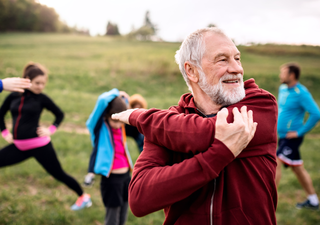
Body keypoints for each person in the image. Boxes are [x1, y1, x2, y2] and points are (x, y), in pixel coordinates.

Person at [112, 27, 278, 225]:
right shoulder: (167, 124)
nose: (237, 68)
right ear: (192, 71)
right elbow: (139, 198)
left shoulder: (260, 103)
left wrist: (140, 117)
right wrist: (218, 155)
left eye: (237, 58)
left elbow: (206, 132)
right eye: (223, 59)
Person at [0, 62, 92, 211]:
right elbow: (1, 114)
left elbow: (59, 114)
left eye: (43, 83)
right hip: (19, 147)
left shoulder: (42, 98)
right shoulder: (13, 96)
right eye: (37, 83)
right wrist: (5, 132)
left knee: (59, 174)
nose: (41, 87)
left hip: (40, 146)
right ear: (27, 79)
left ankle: (83, 197)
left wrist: (51, 129)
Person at [85, 89, 133, 225]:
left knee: (123, 214)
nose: (119, 125)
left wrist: (124, 99)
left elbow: (124, 108)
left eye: (120, 121)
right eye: (115, 121)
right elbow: (102, 100)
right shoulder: (99, 128)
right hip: (111, 179)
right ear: (106, 115)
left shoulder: (120, 127)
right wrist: (117, 93)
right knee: (112, 217)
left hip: (125, 177)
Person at [275, 62, 320, 210]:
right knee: (298, 168)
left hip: (292, 138)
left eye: (283, 73)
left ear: (291, 75)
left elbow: (316, 113)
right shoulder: (283, 89)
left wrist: (299, 132)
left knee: (276, 162)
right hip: (282, 136)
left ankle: (268, 201)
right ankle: (313, 200)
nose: (280, 75)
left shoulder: (302, 93)